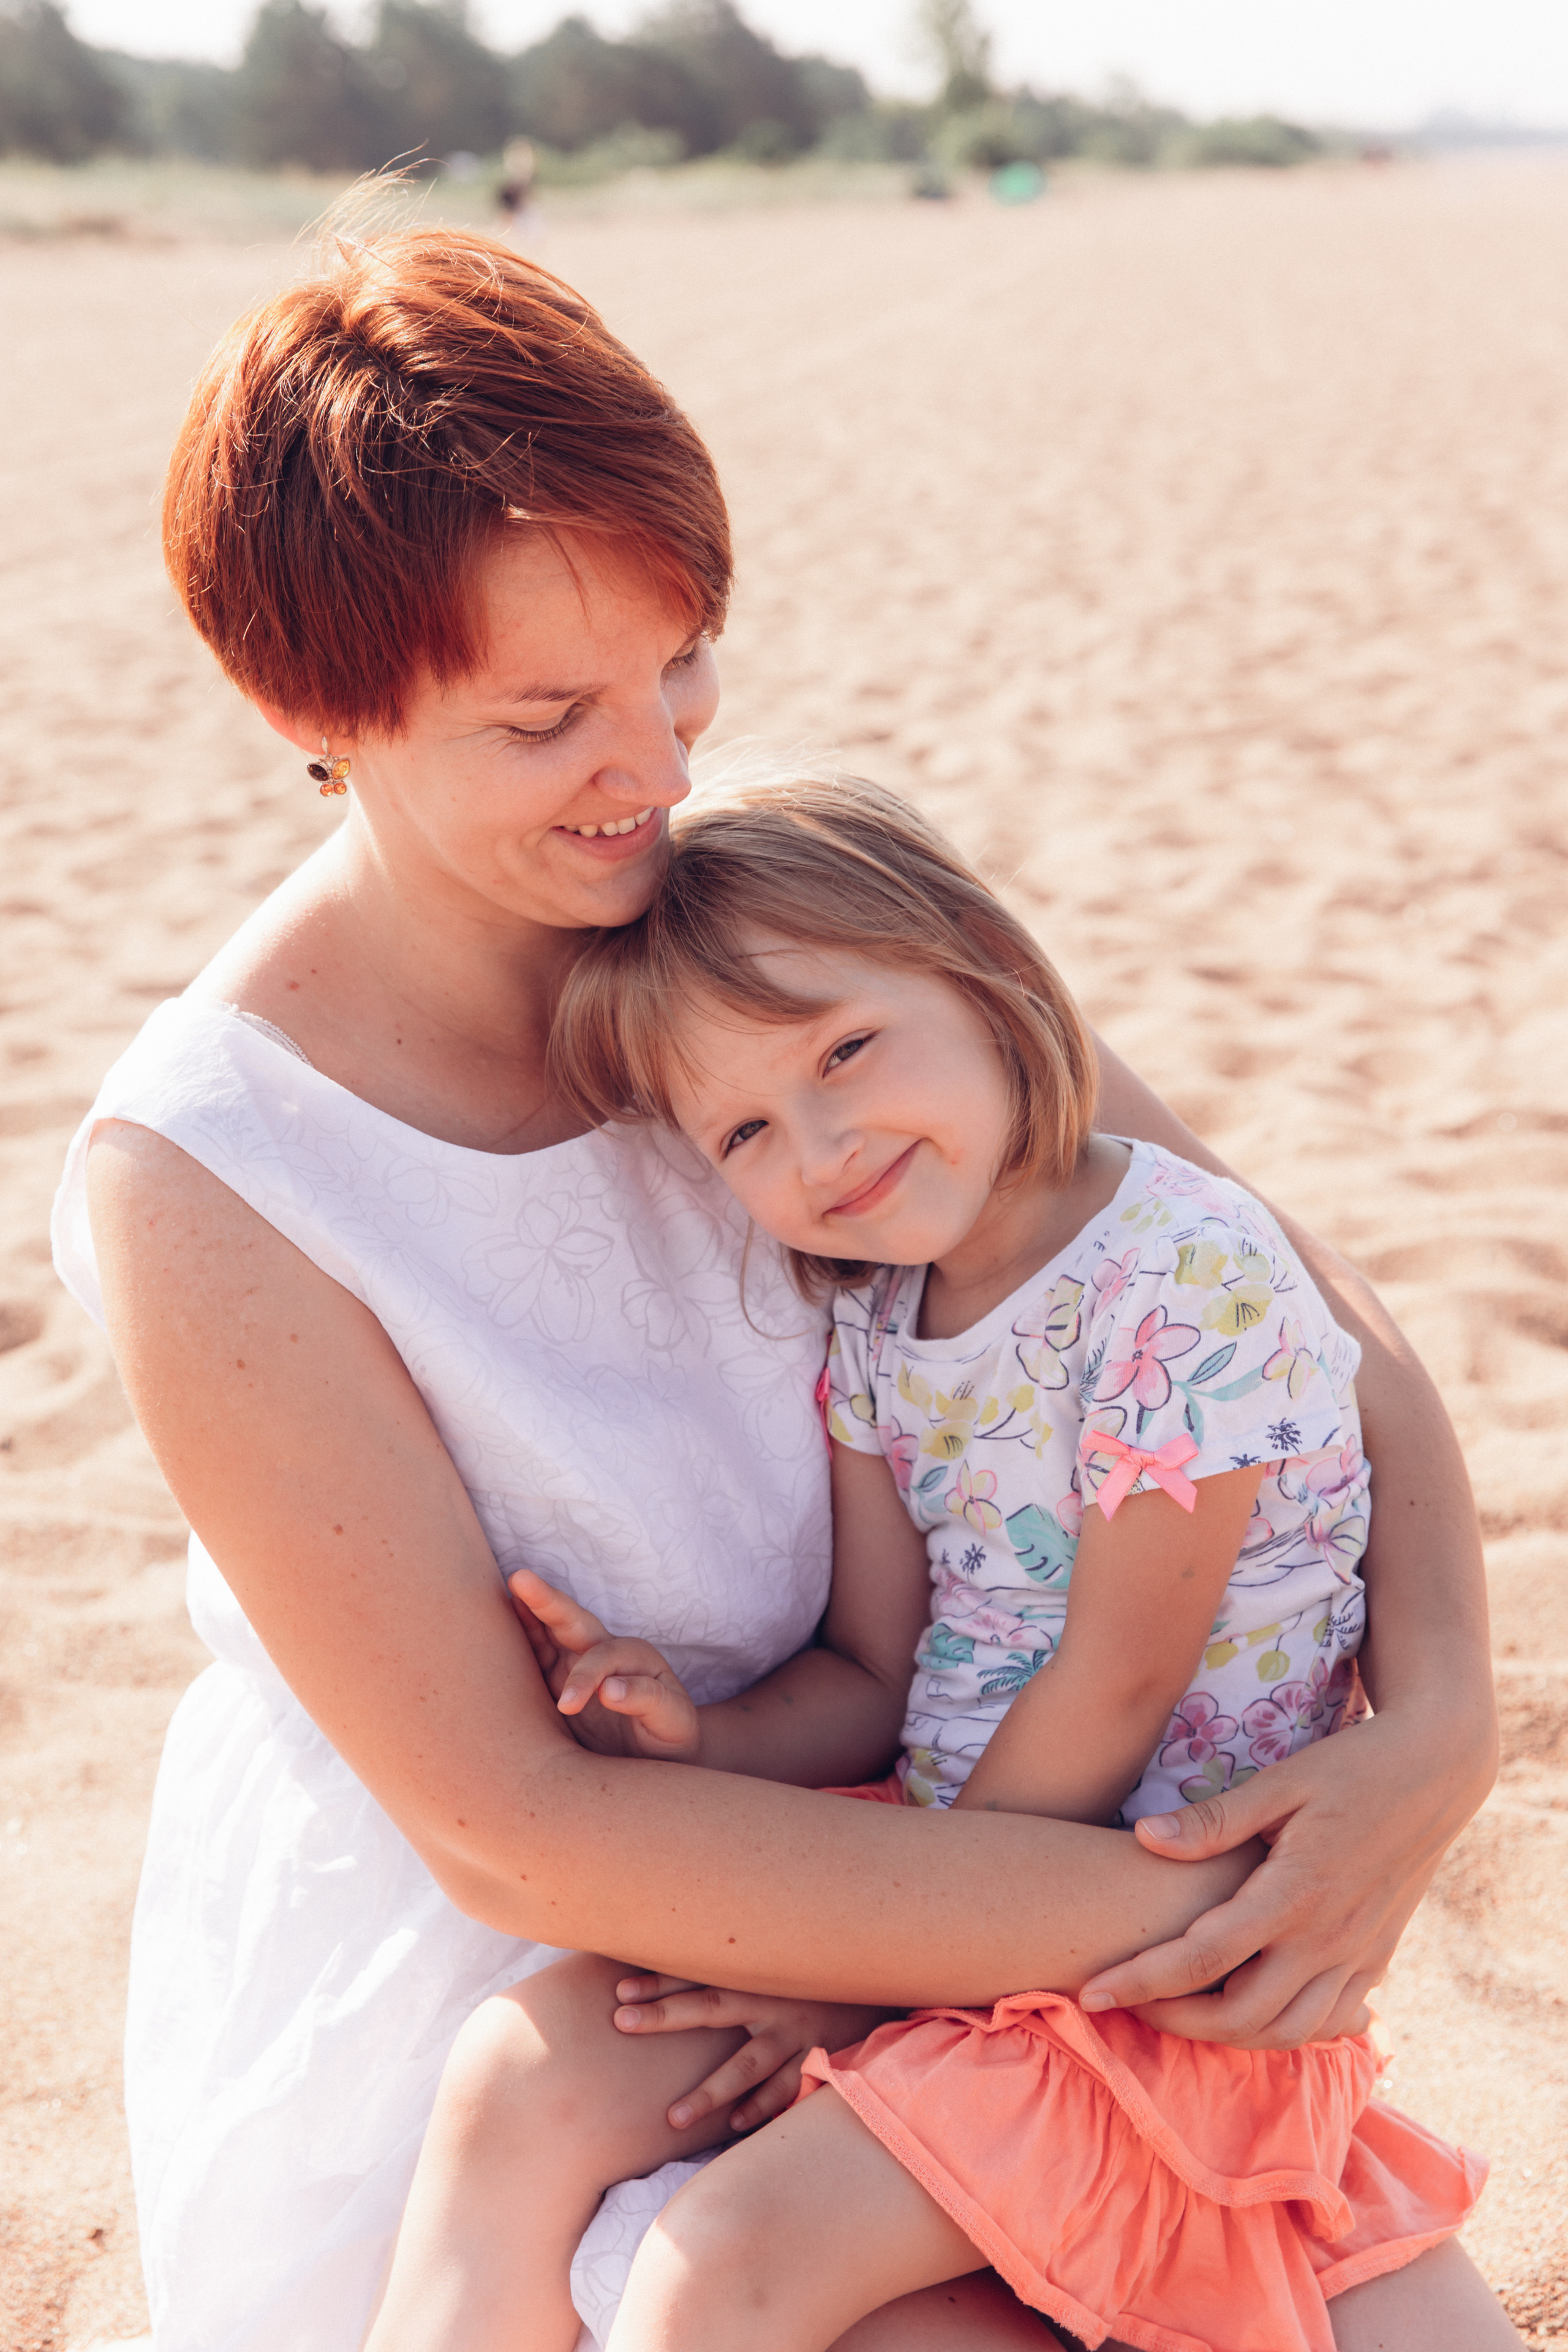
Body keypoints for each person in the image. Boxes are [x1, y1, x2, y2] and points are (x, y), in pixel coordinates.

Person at [51, 221, 1501, 2352]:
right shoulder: (213, 1175)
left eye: (683, 661)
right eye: (548, 716)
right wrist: (1211, 1906)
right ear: (309, 712)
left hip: (964, 1837)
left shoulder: (777, 945)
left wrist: (1442, 1731)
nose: (653, 767)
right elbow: (519, 1836)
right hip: (595, 1960)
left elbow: (1286, 1294)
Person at [366, 769, 1516, 2352]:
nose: (824, 1146)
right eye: (748, 1129)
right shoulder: (877, 1326)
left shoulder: (1179, 1274)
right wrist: (711, 1736)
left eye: (844, 1051)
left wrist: (876, 1983)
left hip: (1133, 1960)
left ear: (986, 974)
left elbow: (1114, 1688)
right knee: (530, 2060)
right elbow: (874, 1673)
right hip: (962, 1871)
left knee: (728, 2268)